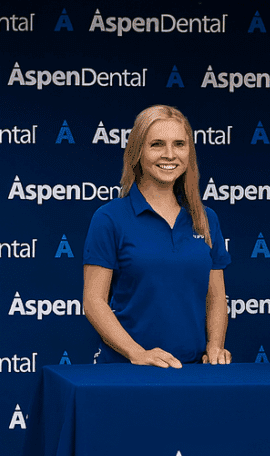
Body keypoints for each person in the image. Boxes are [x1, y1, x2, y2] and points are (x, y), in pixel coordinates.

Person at [83, 105, 231, 367]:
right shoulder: (109, 218)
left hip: (193, 372)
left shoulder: (206, 219)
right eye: (157, 144)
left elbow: (216, 296)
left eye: (179, 144)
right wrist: (136, 353)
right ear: (138, 151)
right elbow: (94, 301)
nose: (170, 154)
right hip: (128, 372)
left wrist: (215, 345)